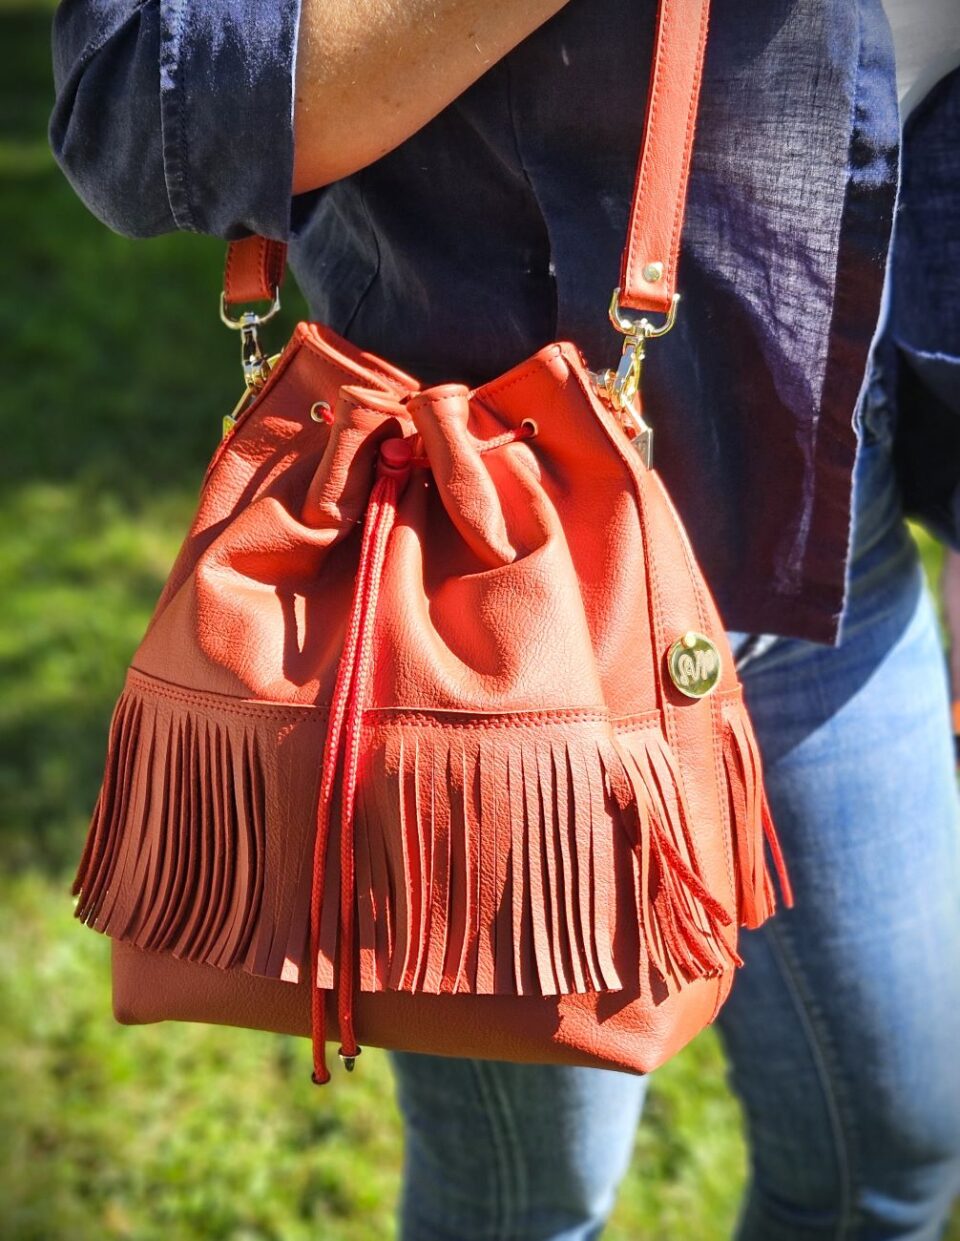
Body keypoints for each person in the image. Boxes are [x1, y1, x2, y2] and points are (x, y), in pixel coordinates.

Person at [49, 2, 960, 1237]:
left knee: (892, 1164)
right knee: (523, 1203)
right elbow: (137, 106)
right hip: (468, 604)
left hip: (827, 542)